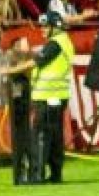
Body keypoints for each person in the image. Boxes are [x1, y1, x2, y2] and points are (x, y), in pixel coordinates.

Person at [29, 11, 75, 184]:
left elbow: (36, 62)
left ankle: (37, 175)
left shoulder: (55, 44)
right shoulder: (64, 41)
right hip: (58, 96)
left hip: (47, 96)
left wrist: (10, 70)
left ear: (55, 27)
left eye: (45, 26)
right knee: (55, 136)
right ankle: (56, 174)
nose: (42, 29)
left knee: (41, 134)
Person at [0, 34, 38, 184]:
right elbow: (5, 71)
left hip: (23, 100)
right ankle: (21, 173)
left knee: (24, 136)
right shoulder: (11, 56)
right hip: (18, 101)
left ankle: (26, 172)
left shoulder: (28, 57)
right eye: (24, 43)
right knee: (20, 137)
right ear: (16, 46)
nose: (28, 46)